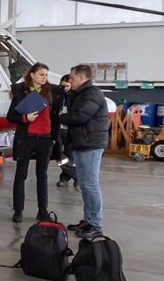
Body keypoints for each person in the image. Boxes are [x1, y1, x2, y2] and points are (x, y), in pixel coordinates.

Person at [6, 62, 61, 223]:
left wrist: (55, 138)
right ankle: (18, 211)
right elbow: (11, 116)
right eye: (41, 74)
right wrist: (25, 118)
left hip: (45, 139)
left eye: (46, 75)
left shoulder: (52, 92)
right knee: (21, 175)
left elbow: (56, 116)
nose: (44, 78)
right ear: (32, 75)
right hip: (27, 138)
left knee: (42, 175)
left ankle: (42, 211)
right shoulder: (21, 92)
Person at [60, 64, 108, 239]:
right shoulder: (80, 94)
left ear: (81, 77)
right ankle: (88, 220)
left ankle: (95, 224)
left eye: (72, 78)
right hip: (82, 143)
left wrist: (58, 117)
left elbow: (79, 117)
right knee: (86, 185)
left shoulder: (92, 94)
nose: (69, 80)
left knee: (90, 184)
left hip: (91, 144)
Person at [54, 74, 77, 188]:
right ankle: (76, 175)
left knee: (69, 155)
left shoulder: (75, 97)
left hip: (70, 130)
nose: (64, 88)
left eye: (66, 86)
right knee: (57, 153)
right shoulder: (57, 96)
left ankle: (64, 178)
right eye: (62, 86)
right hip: (58, 129)